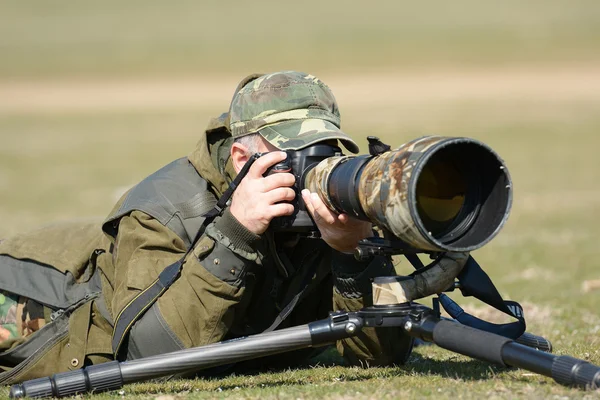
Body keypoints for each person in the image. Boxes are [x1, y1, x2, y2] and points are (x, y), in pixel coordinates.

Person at [0, 71, 413, 385]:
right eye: (293, 152)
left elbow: (381, 358)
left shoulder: (327, 214)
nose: (312, 168)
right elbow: (149, 356)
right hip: (36, 297)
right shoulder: (163, 212)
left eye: (324, 151)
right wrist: (236, 234)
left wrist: (353, 257)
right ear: (239, 158)